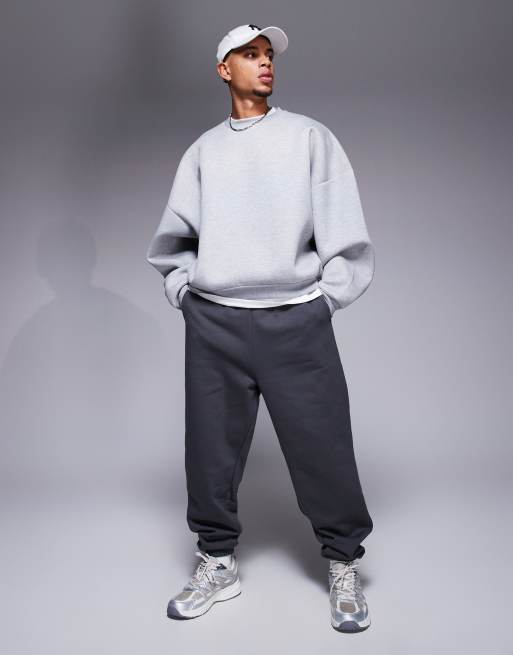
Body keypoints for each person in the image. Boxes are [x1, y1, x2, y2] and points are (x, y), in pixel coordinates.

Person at [146, 23, 375, 633]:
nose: (265, 63)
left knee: (322, 444)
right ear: (225, 69)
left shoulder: (308, 137)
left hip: (295, 318)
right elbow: (175, 239)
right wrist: (183, 291)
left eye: (268, 55)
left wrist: (325, 300)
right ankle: (217, 562)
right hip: (214, 322)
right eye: (250, 55)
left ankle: (344, 563)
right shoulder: (203, 151)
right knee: (209, 451)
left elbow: (344, 227)